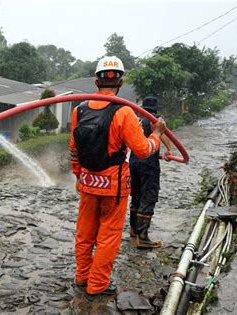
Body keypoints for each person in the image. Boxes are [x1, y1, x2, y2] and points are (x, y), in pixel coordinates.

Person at [69, 56, 166, 295]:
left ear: (96, 81)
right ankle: (97, 285)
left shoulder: (79, 110)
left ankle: (82, 277)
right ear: (120, 82)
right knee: (108, 237)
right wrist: (156, 135)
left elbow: (74, 149)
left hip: (88, 182)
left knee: (84, 234)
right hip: (114, 187)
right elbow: (143, 150)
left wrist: (79, 176)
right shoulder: (124, 112)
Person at [129, 96, 173, 249]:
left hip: (133, 162)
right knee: (149, 196)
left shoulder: (137, 119)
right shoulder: (156, 119)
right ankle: (143, 237)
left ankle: (134, 230)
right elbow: (163, 134)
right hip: (148, 163)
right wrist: (169, 150)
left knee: (136, 195)